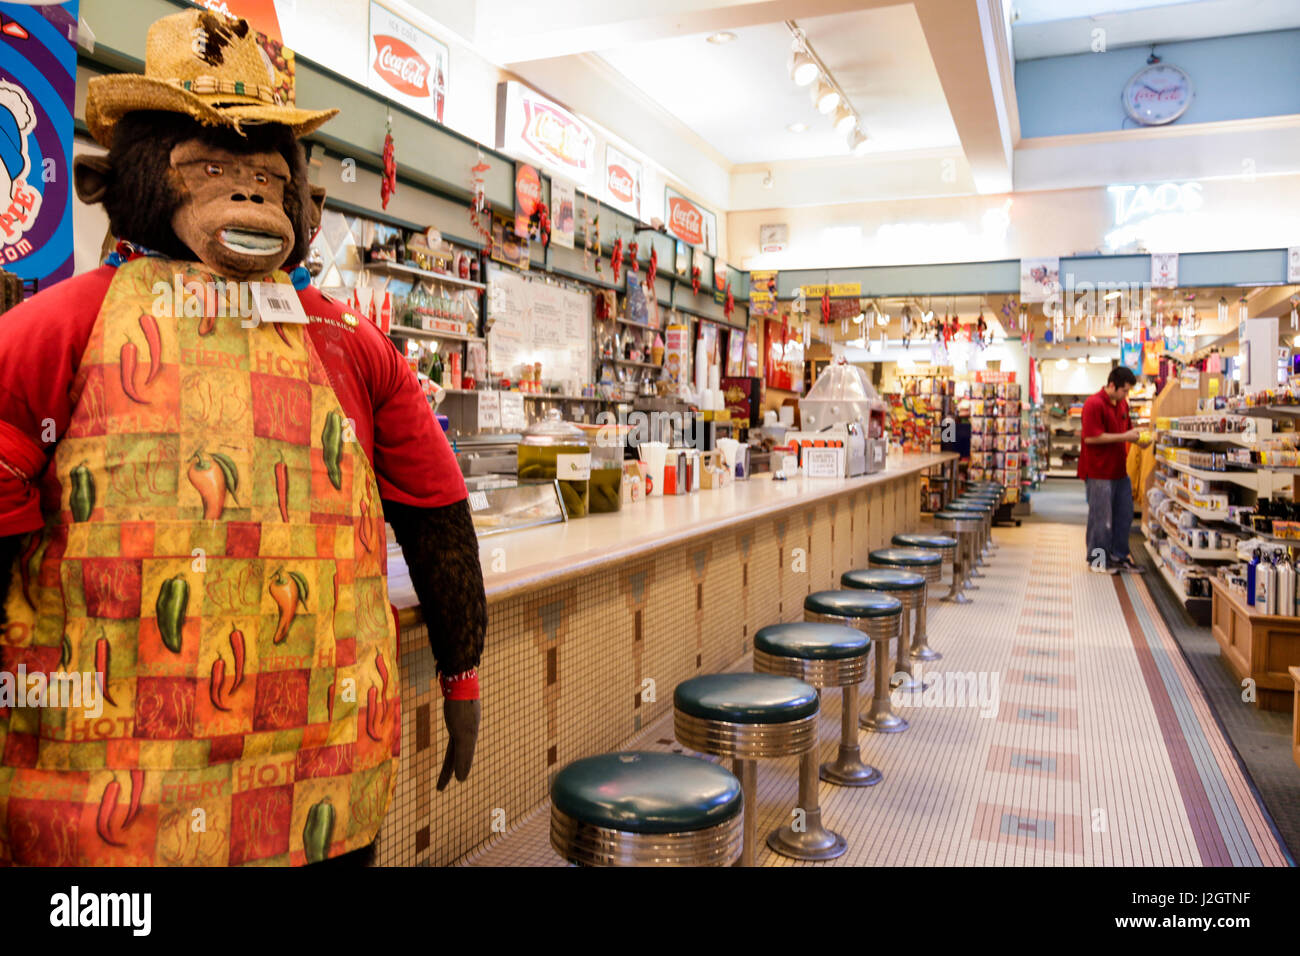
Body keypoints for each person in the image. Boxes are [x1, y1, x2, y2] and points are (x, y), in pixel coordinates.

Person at [0, 9, 484, 866]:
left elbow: (435, 507)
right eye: (211, 168)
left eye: (266, 177)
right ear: (130, 180)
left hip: (315, 783)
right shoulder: (57, 332)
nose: (251, 198)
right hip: (104, 800)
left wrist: (462, 668)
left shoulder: (353, 346)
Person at [1078, 366, 1151, 574]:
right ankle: (1098, 560)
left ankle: (1119, 556)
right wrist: (1125, 437)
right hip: (1098, 472)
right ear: (1112, 386)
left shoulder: (1122, 404)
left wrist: (1139, 439)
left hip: (1119, 471)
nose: (1126, 395)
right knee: (1101, 519)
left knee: (1124, 515)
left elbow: (1127, 430)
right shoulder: (1093, 404)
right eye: (1124, 390)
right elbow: (1091, 438)